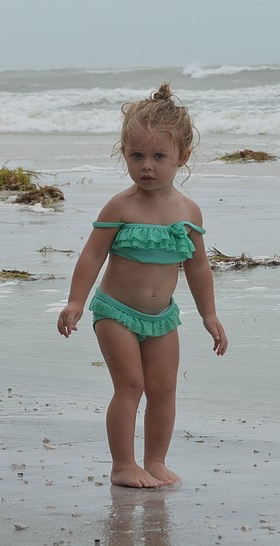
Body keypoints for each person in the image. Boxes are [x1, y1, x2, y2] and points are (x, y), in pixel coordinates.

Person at [57, 83, 228, 488]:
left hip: (163, 319)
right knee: (130, 385)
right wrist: (75, 301)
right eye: (136, 156)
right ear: (124, 155)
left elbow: (199, 267)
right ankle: (122, 465)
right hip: (116, 312)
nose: (146, 166)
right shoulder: (122, 206)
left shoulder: (188, 211)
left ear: (182, 157)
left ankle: (155, 460)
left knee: (164, 389)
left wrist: (209, 314)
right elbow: (92, 255)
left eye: (158, 156)